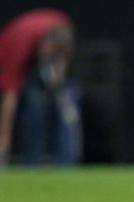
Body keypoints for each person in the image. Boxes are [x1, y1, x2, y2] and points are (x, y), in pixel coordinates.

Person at [0, 9, 80, 166]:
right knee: (36, 107)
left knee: (68, 108)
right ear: (44, 44)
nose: (52, 57)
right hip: (14, 61)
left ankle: (68, 167)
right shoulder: (19, 46)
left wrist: (58, 79)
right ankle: (32, 164)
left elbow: (61, 61)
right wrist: (4, 141)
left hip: (40, 66)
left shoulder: (62, 26)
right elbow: (10, 98)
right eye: (51, 53)